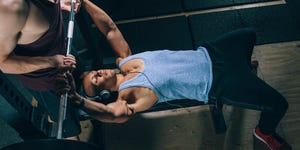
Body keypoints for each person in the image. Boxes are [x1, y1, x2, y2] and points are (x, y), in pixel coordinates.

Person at [56, 0, 292, 149]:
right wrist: (79, 101)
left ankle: (243, 66)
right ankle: (264, 133)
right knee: (278, 104)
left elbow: (109, 29)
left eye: (94, 72)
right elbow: (114, 115)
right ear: (105, 92)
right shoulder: (129, 97)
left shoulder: (125, 60)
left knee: (248, 34)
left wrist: (84, 2)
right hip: (218, 82)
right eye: (96, 79)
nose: (99, 71)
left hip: (211, 53)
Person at [0, 0, 82, 140]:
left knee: (80, 90)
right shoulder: (12, 8)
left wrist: (60, 4)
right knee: (70, 131)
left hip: (62, 50)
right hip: (47, 81)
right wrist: (51, 61)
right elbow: (3, 64)